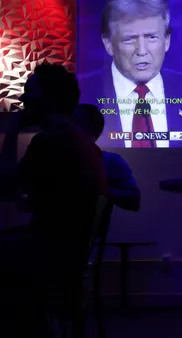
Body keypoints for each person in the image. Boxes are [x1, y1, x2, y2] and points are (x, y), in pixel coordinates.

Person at [0, 63, 108, 337]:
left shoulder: (51, 142)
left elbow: (5, 186)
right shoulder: (78, 140)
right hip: (69, 251)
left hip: (50, 253)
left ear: (47, 99)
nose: (23, 99)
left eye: (29, 92)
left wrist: (12, 131)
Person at [78, 0, 182, 148]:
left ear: (166, 41)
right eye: (129, 39)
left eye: (151, 37)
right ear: (108, 44)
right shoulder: (80, 97)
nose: (142, 51)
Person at [74, 104, 141, 211]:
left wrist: (99, 189)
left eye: (76, 123)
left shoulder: (108, 161)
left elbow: (133, 200)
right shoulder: (47, 153)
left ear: (93, 133)